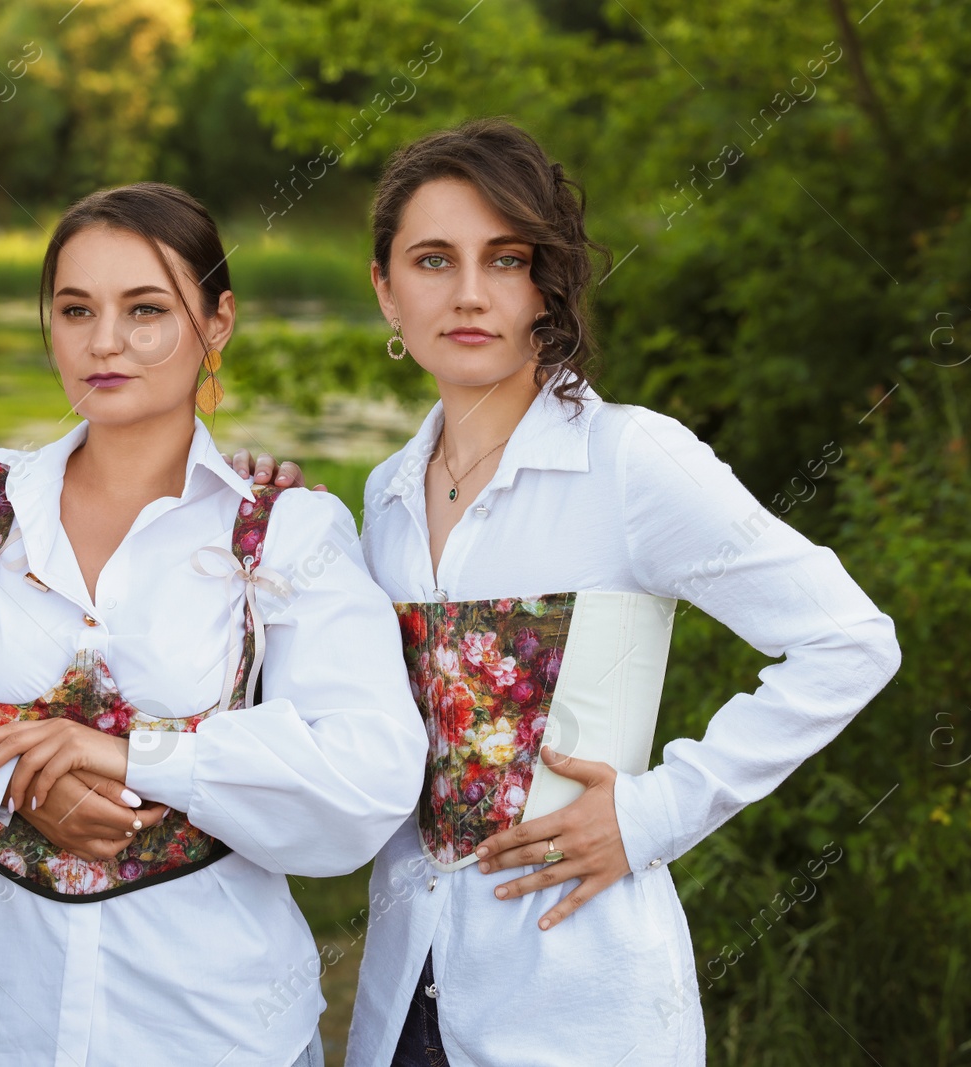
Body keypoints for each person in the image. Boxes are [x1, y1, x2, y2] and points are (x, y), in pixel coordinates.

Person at [230, 118, 903, 1066]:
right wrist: (268, 525)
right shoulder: (380, 496)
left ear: (548, 282)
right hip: (402, 1003)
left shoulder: (629, 460)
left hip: (581, 1006)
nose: (468, 293)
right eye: (432, 259)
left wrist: (655, 812)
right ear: (384, 288)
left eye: (505, 259)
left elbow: (852, 640)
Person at [0, 181, 426, 1067]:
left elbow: (367, 776)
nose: (104, 341)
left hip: (220, 1033)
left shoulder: (281, 529)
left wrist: (140, 758)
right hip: (4, 1030)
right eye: (75, 309)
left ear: (218, 322)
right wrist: (0, 770)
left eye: (145, 309)